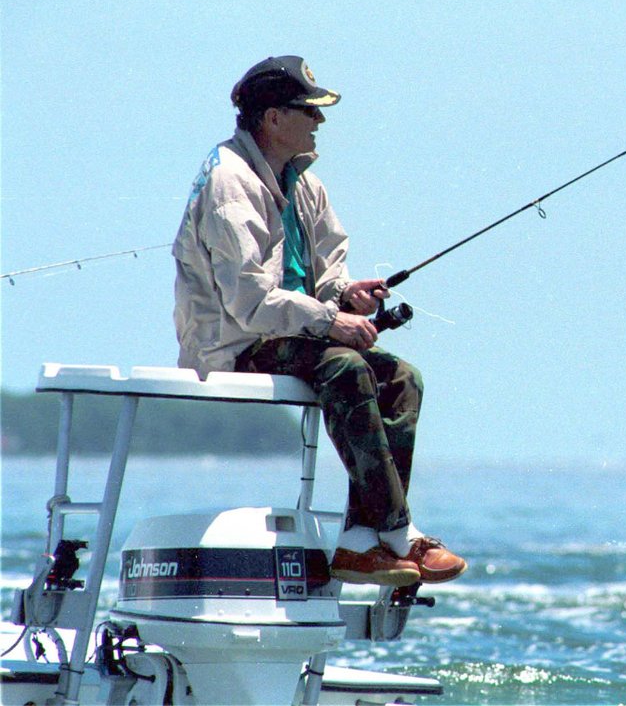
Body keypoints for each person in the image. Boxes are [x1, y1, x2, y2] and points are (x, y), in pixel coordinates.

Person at [172, 55, 466, 587]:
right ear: (272, 119)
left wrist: (346, 296)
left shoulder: (305, 183)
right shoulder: (229, 184)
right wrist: (331, 322)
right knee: (346, 368)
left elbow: (324, 277)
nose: (319, 121)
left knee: (402, 379)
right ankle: (398, 534)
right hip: (237, 345)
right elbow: (251, 304)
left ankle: (357, 541)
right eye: (308, 109)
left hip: (294, 332)